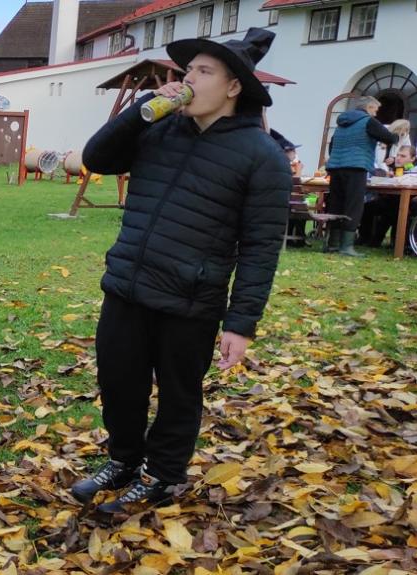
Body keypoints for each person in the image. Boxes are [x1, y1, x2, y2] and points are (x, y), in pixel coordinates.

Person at [71, 28, 290, 514]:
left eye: (204, 71)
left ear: (234, 87)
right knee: (119, 383)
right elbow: (96, 158)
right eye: (188, 69)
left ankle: (162, 475)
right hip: (128, 285)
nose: (189, 78)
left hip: (191, 300)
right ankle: (124, 460)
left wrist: (241, 323)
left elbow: (261, 248)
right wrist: (140, 109)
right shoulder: (158, 129)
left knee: (178, 395)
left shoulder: (263, 156)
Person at [325, 96, 400, 257]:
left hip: (336, 167)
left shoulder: (341, 124)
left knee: (336, 204)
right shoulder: (368, 121)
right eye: (375, 110)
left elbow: (332, 146)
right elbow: (389, 138)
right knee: (353, 206)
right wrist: (397, 135)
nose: (375, 114)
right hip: (356, 167)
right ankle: (346, 247)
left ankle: (333, 243)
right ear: (369, 107)